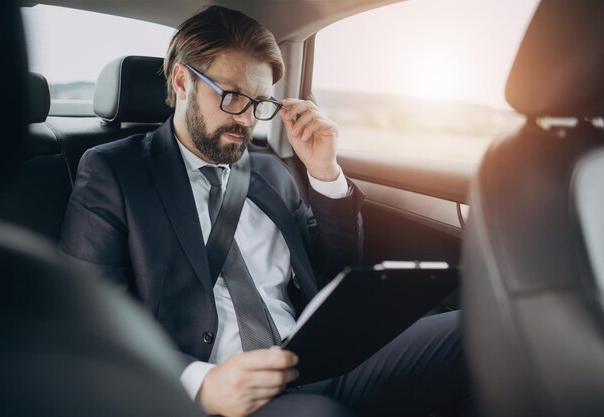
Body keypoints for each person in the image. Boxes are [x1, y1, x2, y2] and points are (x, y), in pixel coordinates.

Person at [59, 6, 471, 417]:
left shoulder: (273, 171)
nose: (245, 119)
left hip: (312, 363)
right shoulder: (114, 171)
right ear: (182, 81)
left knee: (475, 332)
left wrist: (324, 172)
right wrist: (204, 385)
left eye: (258, 102)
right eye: (232, 96)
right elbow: (88, 319)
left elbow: (334, 274)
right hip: (215, 391)